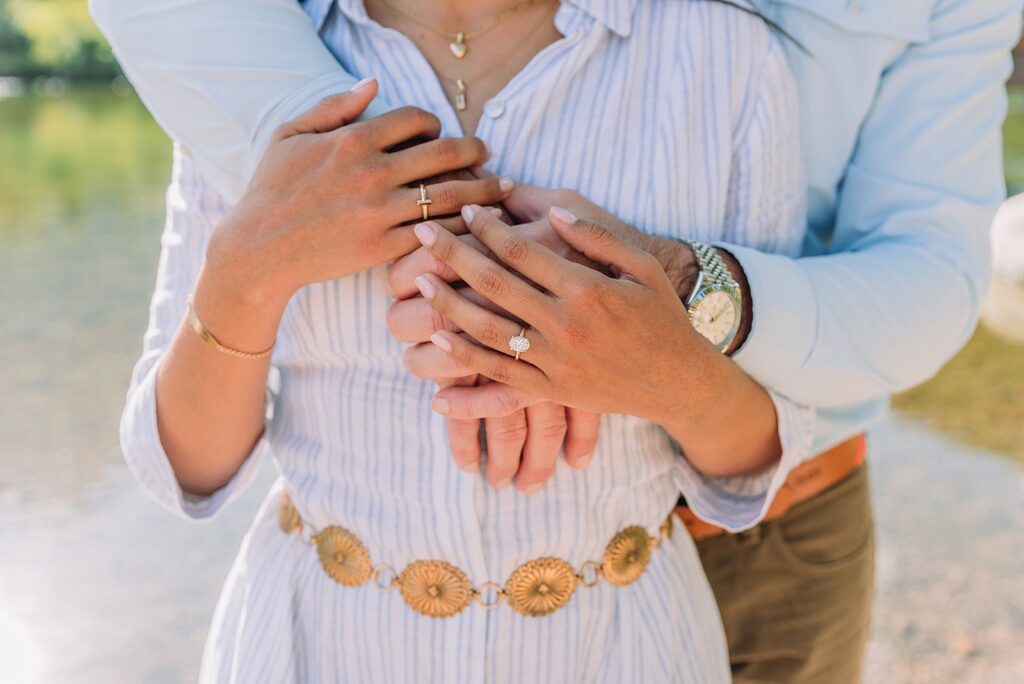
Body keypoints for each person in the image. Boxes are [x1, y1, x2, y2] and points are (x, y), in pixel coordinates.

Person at [90, 0, 1023, 681]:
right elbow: (182, 463)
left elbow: (785, 428)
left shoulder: (727, 60)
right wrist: (250, 274)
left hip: (650, 622)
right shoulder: (250, 46)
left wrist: (654, 334)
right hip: (316, 641)